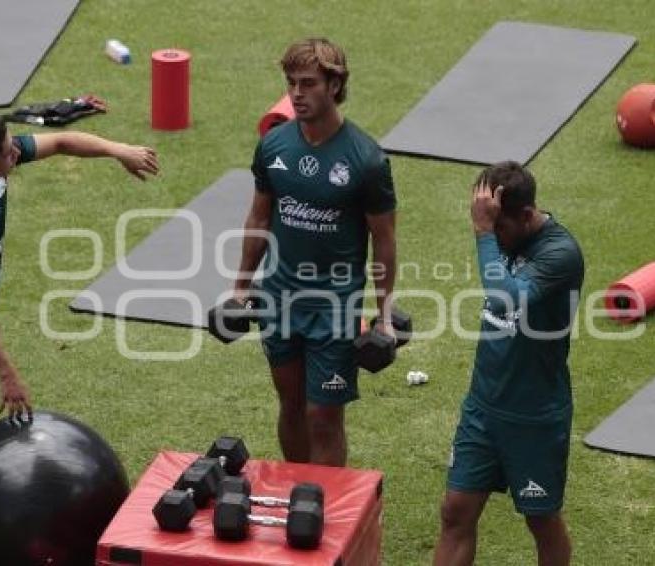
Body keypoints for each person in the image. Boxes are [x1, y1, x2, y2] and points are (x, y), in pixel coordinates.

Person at [0, 113, 159, 565]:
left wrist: (118, 150)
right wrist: (8, 375)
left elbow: (59, 140)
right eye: (6, 151)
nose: (16, 151)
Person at [232, 38, 398, 467]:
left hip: (335, 307)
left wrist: (384, 312)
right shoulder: (274, 147)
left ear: (334, 85)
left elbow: (383, 239)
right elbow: (258, 219)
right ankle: (298, 495)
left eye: (308, 83)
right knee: (290, 405)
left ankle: (325, 514)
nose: (297, 94)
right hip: (280, 299)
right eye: (291, 83)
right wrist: (240, 289)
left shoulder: (366, 160)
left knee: (322, 415)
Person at [433, 161, 584, 566]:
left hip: (534, 418)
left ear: (526, 214)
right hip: (483, 407)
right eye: (489, 227)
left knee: (541, 519)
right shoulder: (509, 237)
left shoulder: (561, 254)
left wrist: (484, 233)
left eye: (500, 228)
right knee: (455, 510)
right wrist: (490, 233)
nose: (494, 239)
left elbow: (504, 297)